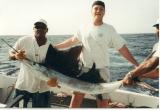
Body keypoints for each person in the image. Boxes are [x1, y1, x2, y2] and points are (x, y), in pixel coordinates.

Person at [48, 0, 139, 108]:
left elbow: (122, 48)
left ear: (104, 12)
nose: (98, 11)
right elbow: (72, 41)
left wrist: (137, 64)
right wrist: (54, 47)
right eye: (96, 8)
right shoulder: (83, 27)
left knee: (103, 102)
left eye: (101, 9)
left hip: (102, 70)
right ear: (91, 11)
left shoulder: (109, 29)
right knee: (76, 98)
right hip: (83, 69)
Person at [9, 19, 57, 107]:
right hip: (23, 85)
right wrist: (16, 56)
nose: (39, 29)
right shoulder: (23, 40)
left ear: (47, 30)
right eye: (37, 27)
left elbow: (54, 69)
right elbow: (10, 55)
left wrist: (54, 80)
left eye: (42, 27)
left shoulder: (51, 48)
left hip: (43, 88)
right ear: (33, 29)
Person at [123, 20, 159, 85]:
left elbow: (152, 63)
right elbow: (148, 61)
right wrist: (139, 73)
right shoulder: (157, 45)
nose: (159, 31)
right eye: (158, 27)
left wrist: (131, 75)